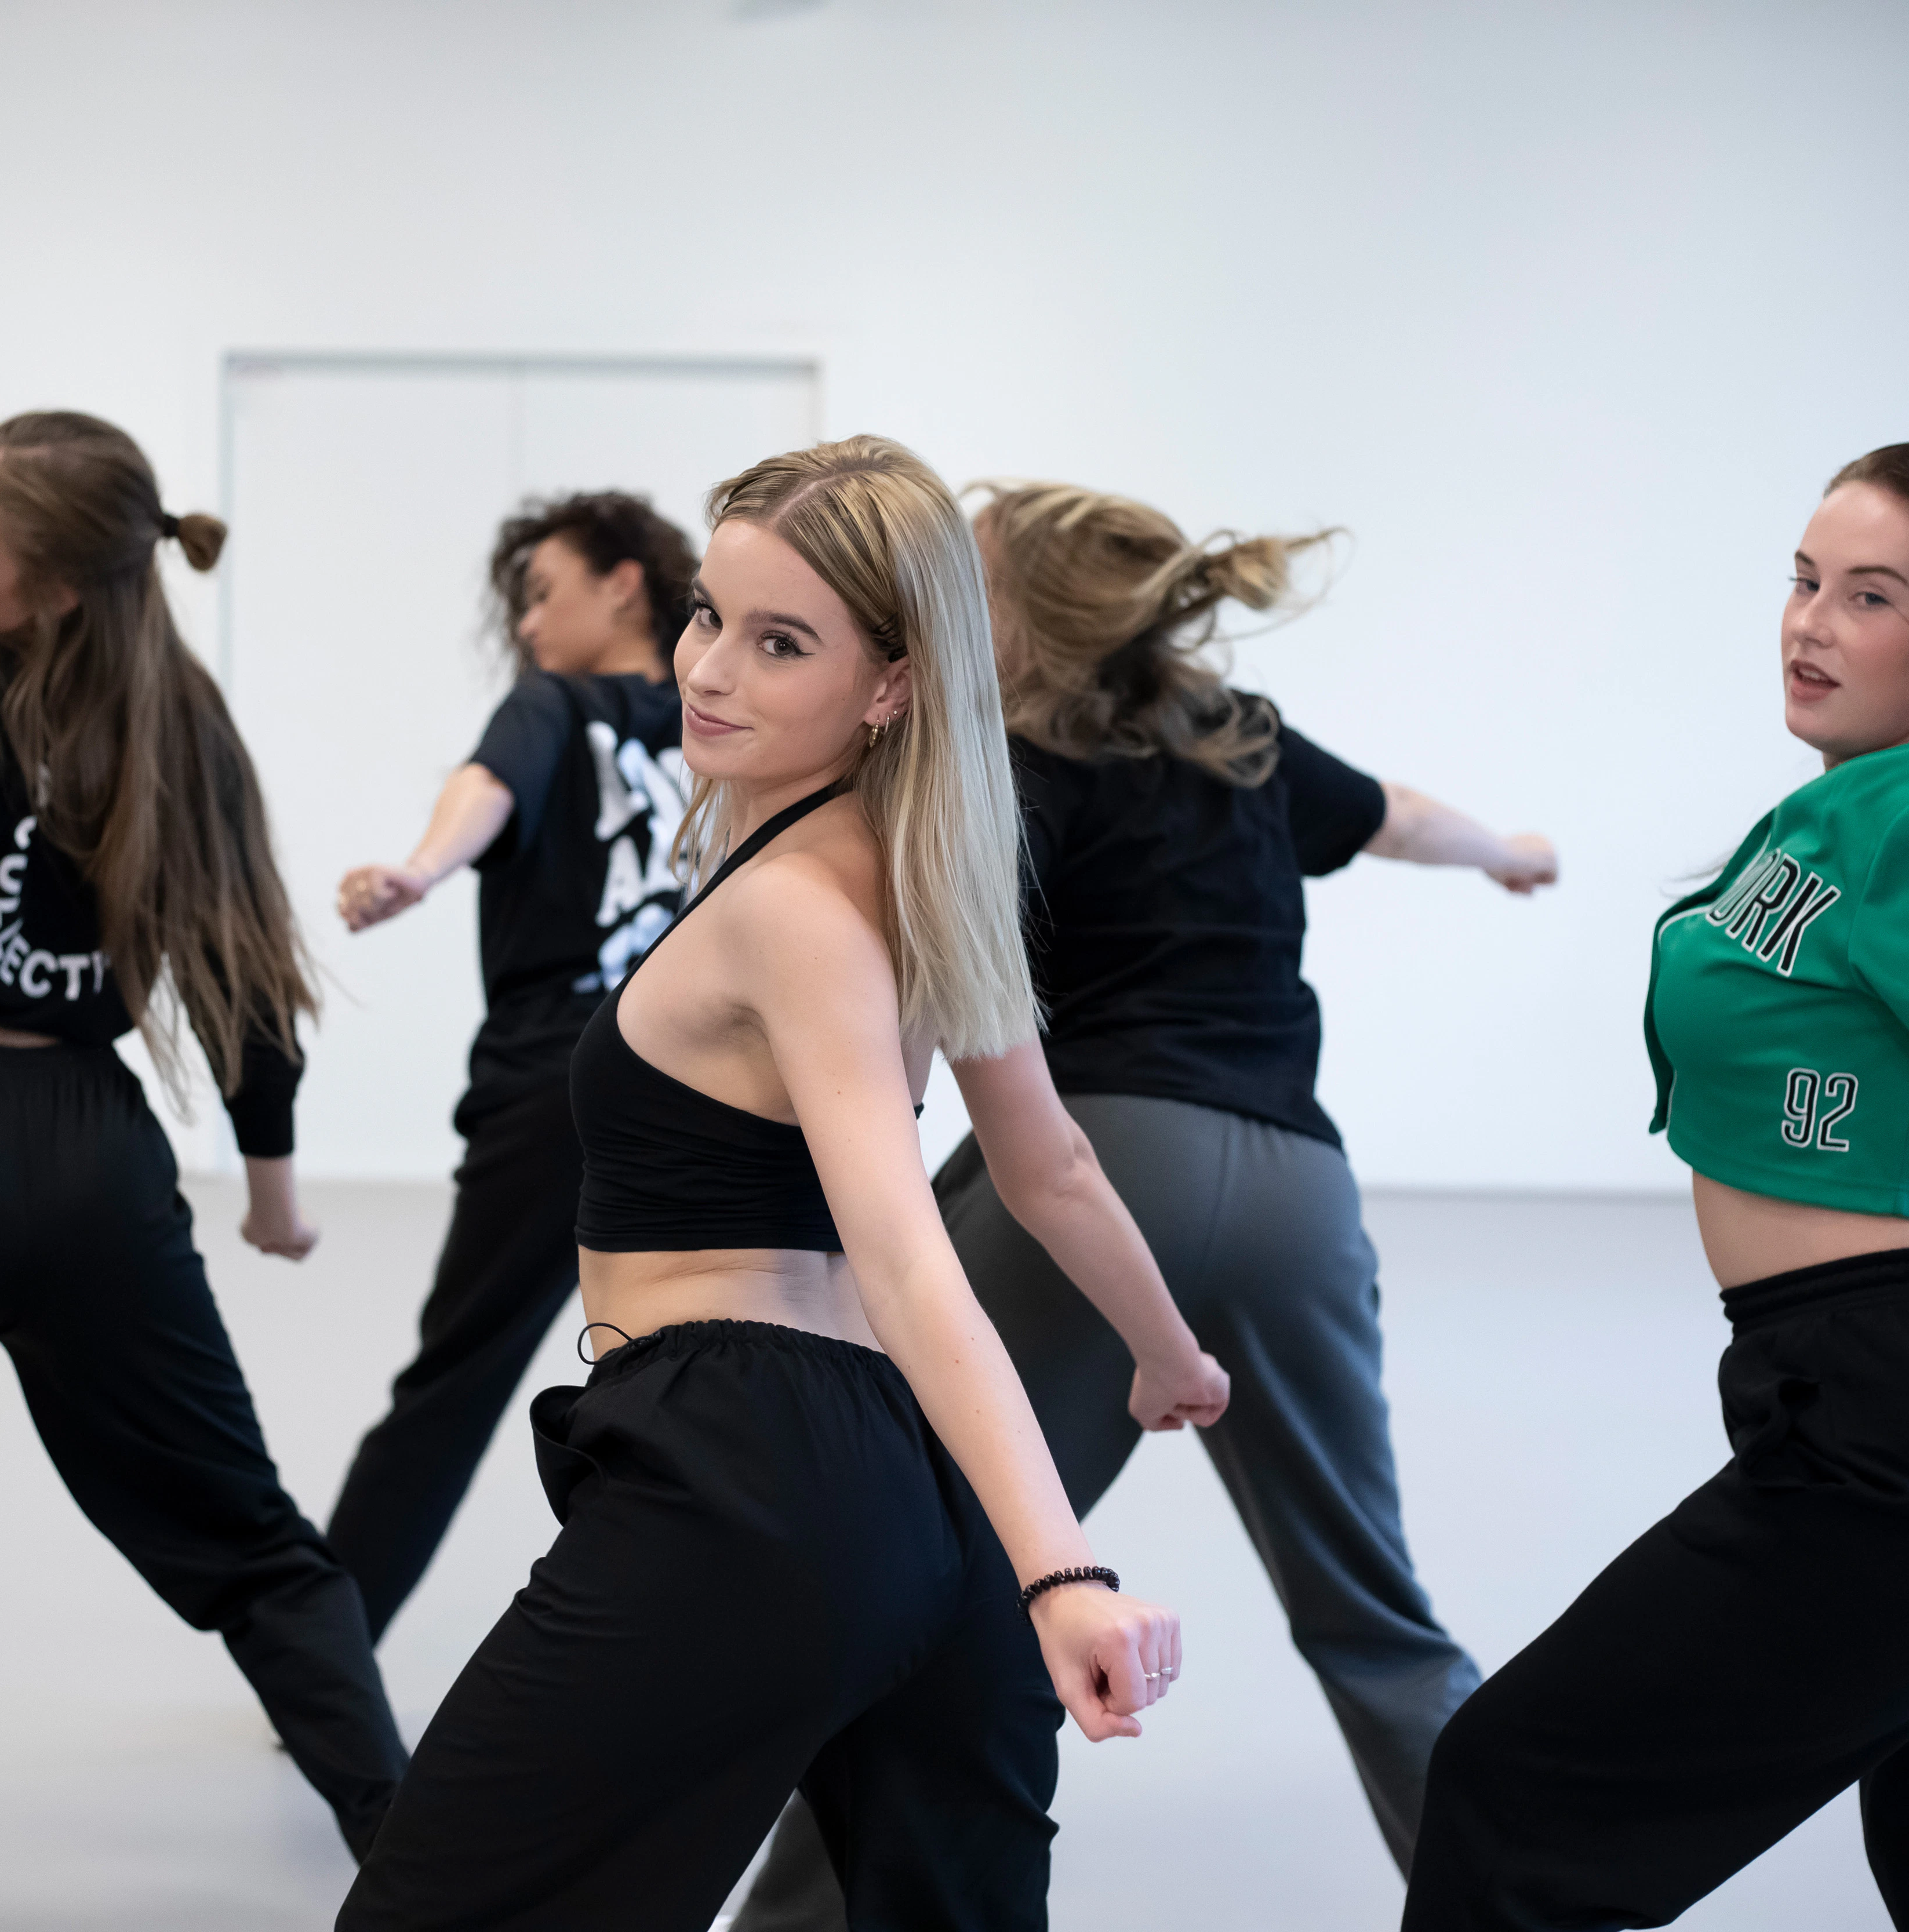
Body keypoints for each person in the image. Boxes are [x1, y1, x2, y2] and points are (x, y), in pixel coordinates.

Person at [336, 437, 1232, 1932]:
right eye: (706, 616)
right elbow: (1047, 1164)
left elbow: (904, 1244)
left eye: (780, 642)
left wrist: (1063, 1565)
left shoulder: (798, 912)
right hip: (893, 1479)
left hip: (745, 1475)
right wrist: (1167, 1351)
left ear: (889, 683)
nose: (711, 670)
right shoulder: (923, 872)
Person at [733, 482, 1554, 1924]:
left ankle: (810, 1918)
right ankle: (1527, 1905)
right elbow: (1404, 817)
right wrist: (1508, 855)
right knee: (1372, 1612)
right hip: (1299, 1187)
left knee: (946, 1585)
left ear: (1018, 620)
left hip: (1098, 1173)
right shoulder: (1241, 740)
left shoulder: (992, 766)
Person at [0, 412, 407, 1858]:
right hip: (98, 1165)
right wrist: (274, 1194)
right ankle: (416, 1849)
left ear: (45, 589)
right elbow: (246, 976)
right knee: (253, 1544)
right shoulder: (189, 720)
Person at [1404, 446, 1909, 1927]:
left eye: (1868, 596)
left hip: (1876, 1434)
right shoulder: (1840, 806)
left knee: (1516, 1799)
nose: (1807, 622)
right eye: (1803, 579)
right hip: (1821, 1382)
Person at [325, 491, 697, 1639]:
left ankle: (322, 1654)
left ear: (623, 582)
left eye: (543, 594)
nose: (529, 628)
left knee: (458, 1378)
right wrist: (426, 869)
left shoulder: (561, 703)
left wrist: (425, 871)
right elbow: (483, 788)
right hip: (695, 1089)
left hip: (572, 1080)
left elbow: (487, 780)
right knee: (702, 1385)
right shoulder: (718, 711)